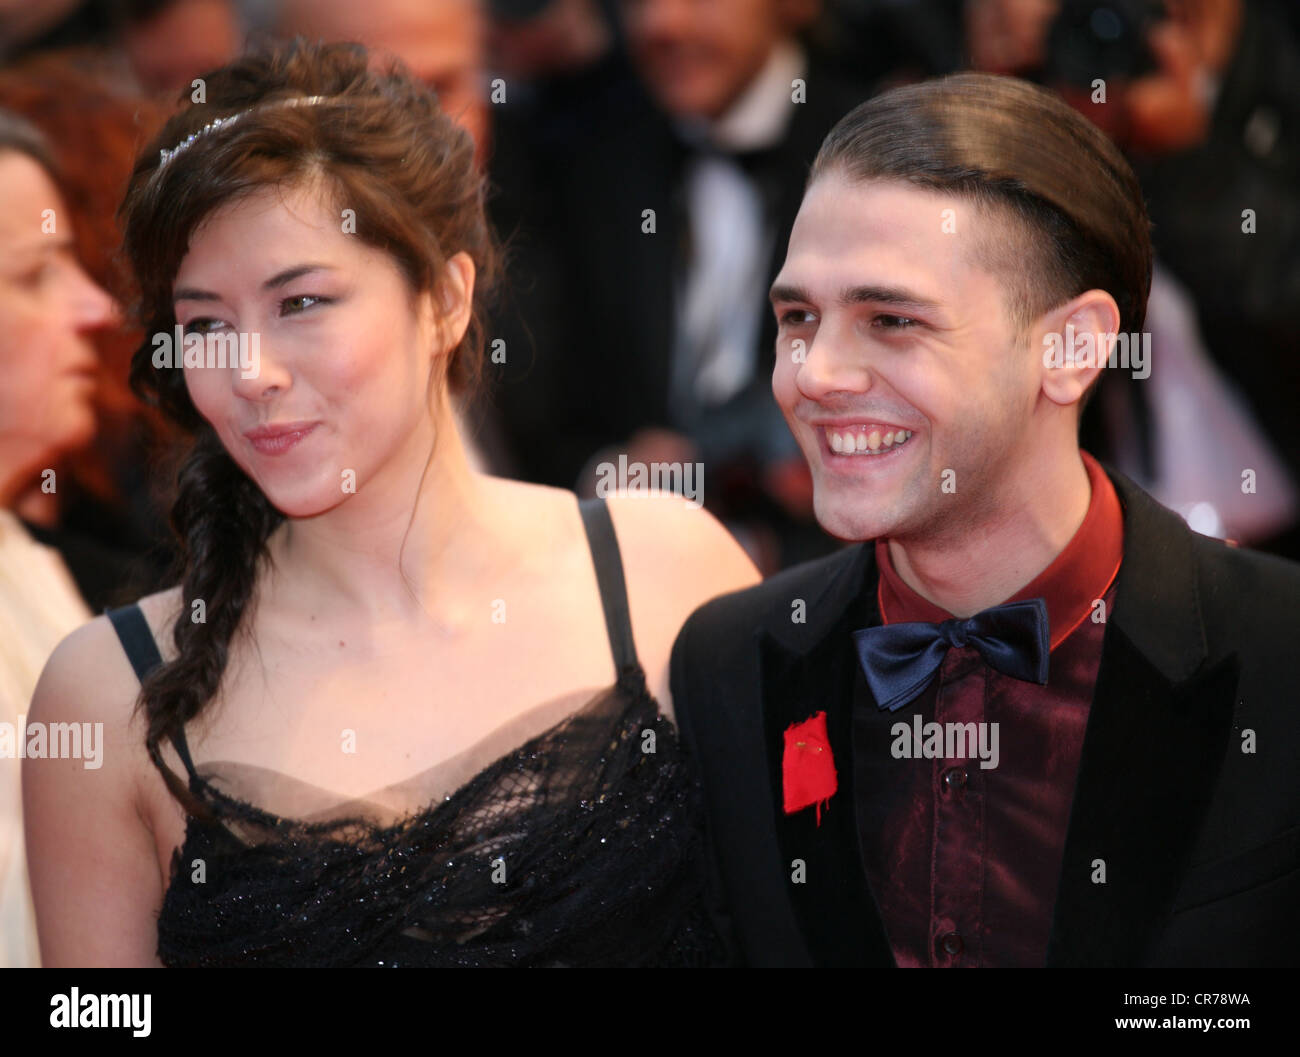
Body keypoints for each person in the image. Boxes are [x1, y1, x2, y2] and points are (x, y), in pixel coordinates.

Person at [23, 37, 758, 967]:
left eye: (302, 303)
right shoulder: (103, 694)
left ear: (446, 299)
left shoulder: (664, 571)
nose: (249, 373)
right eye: (204, 323)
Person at [670, 72, 1300, 967]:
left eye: (890, 319)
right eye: (798, 316)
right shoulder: (728, 669)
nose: (813, 374)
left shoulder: (1281, 654)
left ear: (1074, 348)